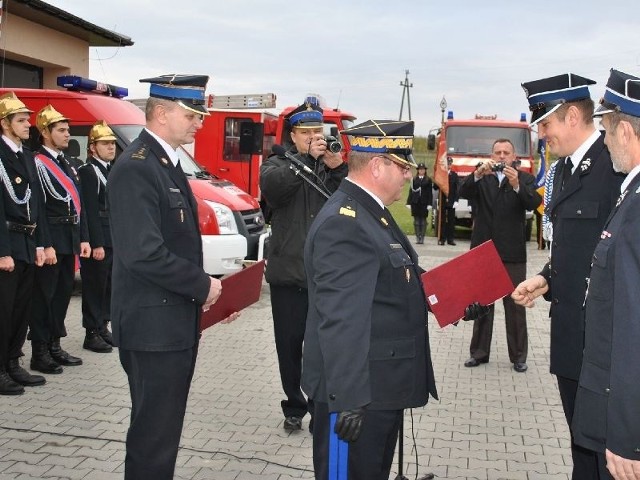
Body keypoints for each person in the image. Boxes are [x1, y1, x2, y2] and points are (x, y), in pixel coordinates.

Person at [302, 119, 438, 479]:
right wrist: (349, 399)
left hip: (379, 387)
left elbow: (399, 278)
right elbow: (341, 319)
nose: (408, 177)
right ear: (378, 166)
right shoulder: (345, 222)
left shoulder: (370, 213)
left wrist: (455, 297)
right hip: (356, 399)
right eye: (402, 168)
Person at [512, 73, 624, 479]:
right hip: (570, 339)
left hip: (601, 346)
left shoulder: (616, 169)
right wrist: (546, 278)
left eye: (546, 124)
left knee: (605, 458)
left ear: (573, 116)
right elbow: (576, 250)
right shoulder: (562, 173)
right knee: (582, 449)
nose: (542, 135)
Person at [260, 97, 347, 432]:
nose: (314, 137)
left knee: (322, 346)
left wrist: (337, 165)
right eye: (306, 131)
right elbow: (275, 191)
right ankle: (294, 404)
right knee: (289, 345)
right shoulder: (276, 164)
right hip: (288, 274)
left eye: (318, 130)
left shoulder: (328, 166)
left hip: (324, 275)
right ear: (293, 136)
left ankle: (318, 404)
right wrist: (307, 161)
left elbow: (346, 200)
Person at [569, 68, 640, 480]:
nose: (607, 142)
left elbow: (632, 326)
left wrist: (628, 436)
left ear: (626, 133)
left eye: (609, 132)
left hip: (622, 420)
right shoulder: (630, 195)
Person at [459, 139, 542, 372]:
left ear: (514, 156)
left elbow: (534, 202)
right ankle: (479, 353)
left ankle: (518, 356)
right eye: (498, 152)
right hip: (483, 251)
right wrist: (476, 174)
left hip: (512, 252)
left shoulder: (524, 178)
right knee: (482, 304)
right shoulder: (482, 177)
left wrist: (516, 185)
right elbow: (461, 190)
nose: (502, 156)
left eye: (507, 152)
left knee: (515, 305)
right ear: (491, 155)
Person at [30, 104, 91, 374]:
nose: (68, 135)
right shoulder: (37, 162)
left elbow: (80, 206)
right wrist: (45, 243)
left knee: (62, 295)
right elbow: (39, 207)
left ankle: (55, 345)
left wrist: (83, 238)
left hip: (69, 238)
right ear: (46, 132)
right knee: (44, 296)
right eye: (62, 130)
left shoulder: (67, 163)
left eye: (68, 131)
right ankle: (39, 351)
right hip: (52, 238)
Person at [0, 93, 50, 395]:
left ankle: (13, 362)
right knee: (3, 310)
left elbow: (38, 204)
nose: (27, 125)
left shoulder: (25, 155)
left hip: (27, 241)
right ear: (5, 124)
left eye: (27, 119)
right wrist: (2, 250)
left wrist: (42, 244)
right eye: (20, 120)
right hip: (8, 241)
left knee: (21, 309)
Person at [78, 121, 117, 353]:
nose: (111, 147)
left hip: (112, 236)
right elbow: (90, 210)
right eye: (105, 143)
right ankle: (91, 332)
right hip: (98, 239)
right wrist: (97, 243)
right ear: (93, 147)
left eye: (112, 143)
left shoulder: (109, 169)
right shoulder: (88, 171)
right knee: (94, 286)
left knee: (108, 285)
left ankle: (103, 326)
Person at [406, 162, 433, 244]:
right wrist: (409, 202)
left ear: (425, 170)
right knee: (416, 221)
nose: (421, 171)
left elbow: (429, 193)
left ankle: (422, 237)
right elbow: (411, 191)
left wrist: (429, 203)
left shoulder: (428, 180)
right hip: (415, 202)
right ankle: (418, 237)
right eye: (420, 169)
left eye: (423, 169)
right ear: (418, 170)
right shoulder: (414, 179)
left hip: (424, 202)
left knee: (423, 221)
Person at [438, 156, 458, 245]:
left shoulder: (454, 175)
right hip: (442, 200)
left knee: (451, 221)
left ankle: (450, 239)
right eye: (447, 163)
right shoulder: (441, 175)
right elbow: (436, 188)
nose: (449, 165)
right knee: (442, 220)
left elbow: (457, 189)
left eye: (450, 163)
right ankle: (442, 239)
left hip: (451, 201)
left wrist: (456, 201)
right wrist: (436, 178)